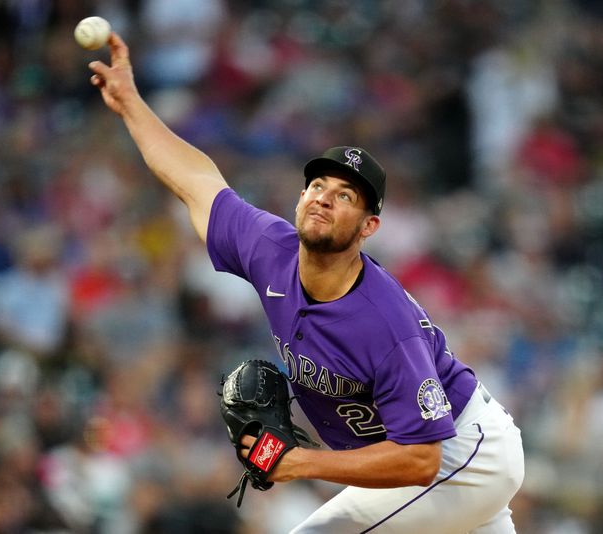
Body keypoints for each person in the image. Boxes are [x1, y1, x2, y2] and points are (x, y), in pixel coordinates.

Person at [88, 32, 525, 533]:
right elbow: (196, 180)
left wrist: (300, 462)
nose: (323, 198)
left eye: (345, 196)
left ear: (368, 227)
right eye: (317, 185)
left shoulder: (382, 322)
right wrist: (131, 105)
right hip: (436, 465)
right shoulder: (268, 249)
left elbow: (421, 458)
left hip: (460, 458)